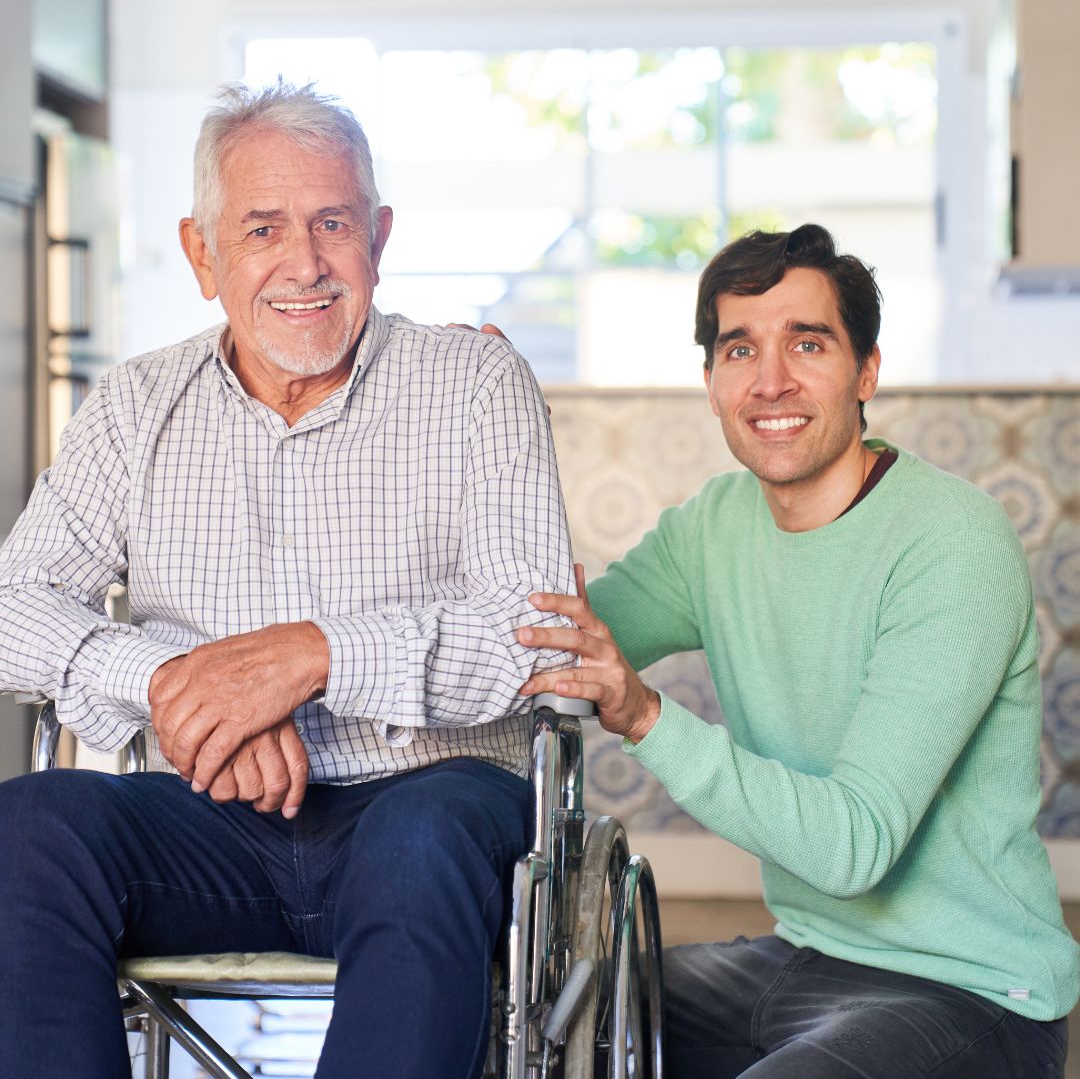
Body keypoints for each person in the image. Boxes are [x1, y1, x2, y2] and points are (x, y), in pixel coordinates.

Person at [0, 81, 576, 1078]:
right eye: (262, 227)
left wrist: (309, 659)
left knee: (422, 836)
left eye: (332, 223)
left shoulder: (476, 383)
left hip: (430, 799)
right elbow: (13, 607)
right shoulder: (136, 404)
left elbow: (528, 634)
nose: (303, 263)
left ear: (379, 237)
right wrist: (184, 685)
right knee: (30, 829)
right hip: (212, 820)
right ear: (202, 252)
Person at [517, 224, 1078, 1077]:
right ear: (709, 383)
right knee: (538, 1020)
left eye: (807, 343)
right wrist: (495, 425)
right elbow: (557, 641)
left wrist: (646, 718)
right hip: (800, 957)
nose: (770, 380)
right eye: (740, 349)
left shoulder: (951, 540)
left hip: (970, 993)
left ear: (866, 372)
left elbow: (852, 848)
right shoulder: (716, 526)